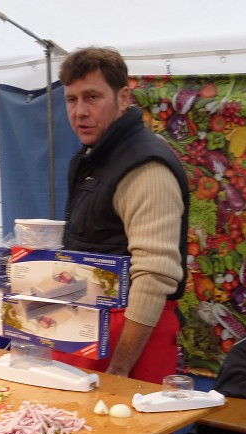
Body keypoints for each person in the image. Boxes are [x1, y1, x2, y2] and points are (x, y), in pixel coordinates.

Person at [52, 47, 189, 385]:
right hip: (86, 325)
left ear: (123, 97)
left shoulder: (145, 167)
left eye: (92, 97)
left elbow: (154, 276)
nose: (80, 112)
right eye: (71, 100)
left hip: (132, 338)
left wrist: (119, 369)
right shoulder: (93, 157)